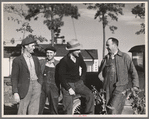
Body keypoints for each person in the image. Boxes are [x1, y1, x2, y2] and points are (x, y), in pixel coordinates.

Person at [98, 37, 139, 114]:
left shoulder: (124, 57)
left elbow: (133, 71)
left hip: (120, 88)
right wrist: (102, 81)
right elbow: (100, 73)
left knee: (113, 109)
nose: (106, 47)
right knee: (108, 110)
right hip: (107, 88)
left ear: (114, 45)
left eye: (108, 45)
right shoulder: (105, 58)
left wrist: (135, 85)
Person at [58, 39, 94, 114]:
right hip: (67, 85)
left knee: (90, 95)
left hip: (78, 83)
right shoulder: (64, 61)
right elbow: (61, 77)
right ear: (72, 50)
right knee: (68, 107)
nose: (79, 51)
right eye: (77, 50)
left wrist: (82, 79)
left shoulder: (79, 57)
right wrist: (69, 88)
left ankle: (89, 115)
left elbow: (84, 67)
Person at [11, 36, 43, 115]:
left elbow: (39, 73)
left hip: (36, 85)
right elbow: (14, 77)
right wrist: (15, 92)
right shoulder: (17, 60)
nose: (34, 47)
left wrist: (39, 84)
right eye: (32, 46)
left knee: (34, 109)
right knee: (22, 110)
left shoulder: (35, 59)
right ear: (26, 46)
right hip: (24, 87)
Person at [38, 45, 60, 114]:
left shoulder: (58, 64)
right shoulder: (41, 62)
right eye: (47, 53)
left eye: (51, 53)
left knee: (54, 109)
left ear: (55, 53)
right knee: (38, 108)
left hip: (54, 88)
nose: (49, 54)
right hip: (42, 88)